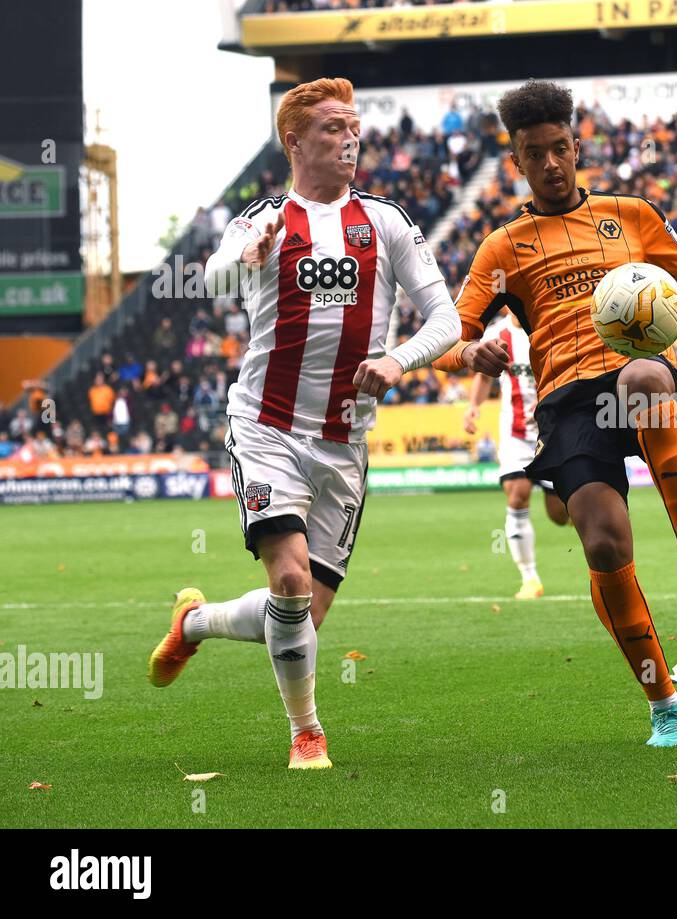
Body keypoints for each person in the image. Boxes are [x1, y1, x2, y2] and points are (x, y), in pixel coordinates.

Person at [148, 77, 461, 770]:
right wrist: (246, 257)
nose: (349, 138)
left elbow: (449, 319)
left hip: (343, 441)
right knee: (288, 585)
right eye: (331, 128)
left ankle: (193, 621)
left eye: (354, 126)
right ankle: (307, 733)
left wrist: (399, 360)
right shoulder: (262, 219)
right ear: (294, 141)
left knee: (300, 621)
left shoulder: (385, 221)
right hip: (266, 427)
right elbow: (213, 280)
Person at [439, 79, 677, 747]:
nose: (552, 163)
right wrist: (469, 356)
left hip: (632, 371)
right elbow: (448, 335)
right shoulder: (503, 248)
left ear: (578, 145)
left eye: (561, 148)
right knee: (604, 544)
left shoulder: (630, 215)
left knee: (645, 373)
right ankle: (664, 702)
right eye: (536, 154)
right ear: (516, 163)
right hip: (564, 402)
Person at [451, 311, 569, 600]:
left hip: (552, 432)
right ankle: (530, 579)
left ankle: (580, 512)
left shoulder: (548, 327)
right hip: (515, 433)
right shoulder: (496, 335)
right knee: (517, 495)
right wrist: (474, 407)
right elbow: (482, 376)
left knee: (559, 514)